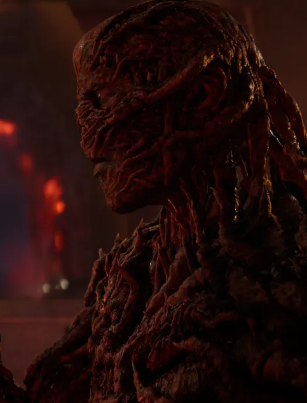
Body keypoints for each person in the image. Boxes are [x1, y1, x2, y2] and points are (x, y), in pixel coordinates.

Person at [23, 0, 307, 402]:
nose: (87, 136)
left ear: (204, 95)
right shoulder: (130, 274)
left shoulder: (288, 271)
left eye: (103, 97)